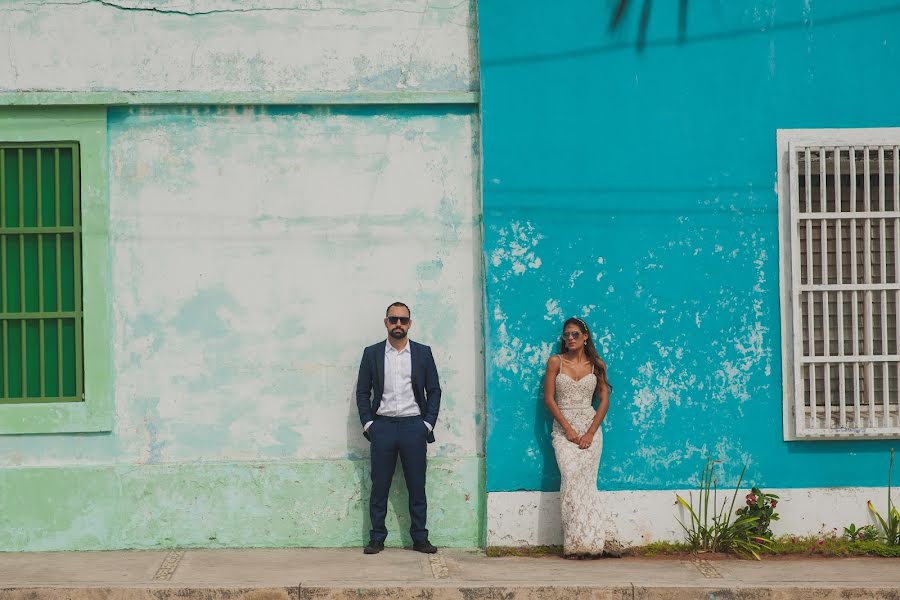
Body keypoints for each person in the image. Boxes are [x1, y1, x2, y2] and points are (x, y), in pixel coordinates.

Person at [355, 301, 441, 555]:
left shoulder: (423, 353)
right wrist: (369, 424)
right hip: (382, 427)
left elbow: (434, 390)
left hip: (414, 426)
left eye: (403, 320)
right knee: (379, 486)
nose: (398, 324)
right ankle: (377, 537)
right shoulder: (372, 354)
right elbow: (363, 391)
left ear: (410, 324)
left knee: (417, 486)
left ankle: (420, 538)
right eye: (394, 319)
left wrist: (427, 424)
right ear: (386, 322)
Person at [543, 316, 612, 557]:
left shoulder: (597, 365)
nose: (570, 339)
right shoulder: (555, 362)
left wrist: (591, 432)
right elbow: (549, 399)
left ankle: (592, 544)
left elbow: (604, 400)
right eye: (566, 335)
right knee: (571, 477)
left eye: (574, 334)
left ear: (585, 337)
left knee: (587, 484)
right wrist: (568, 429)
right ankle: (574, 544)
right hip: (564, 429)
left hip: (590, 428)